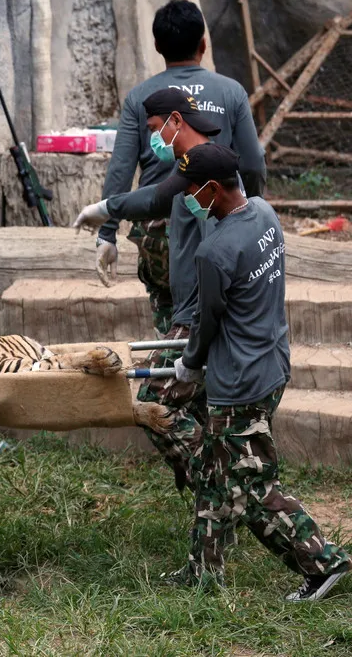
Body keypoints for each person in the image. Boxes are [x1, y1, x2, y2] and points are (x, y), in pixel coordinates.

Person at [167, 143, 350, 601]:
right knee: (214, 475)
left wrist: (188, 367)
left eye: (191, 190)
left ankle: (323, 562)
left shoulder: (215, 251)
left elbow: (208, 323)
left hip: (238, 384)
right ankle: (202, 573)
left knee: (251, 485)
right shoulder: (266, 214)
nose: (186, 197)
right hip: (271, 362)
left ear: (211, 189)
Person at [73, 86, 264, 492]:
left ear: (177, 122)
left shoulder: (203, 177)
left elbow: (166, 205)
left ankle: (219, 483)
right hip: (191, 310)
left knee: (150, 402)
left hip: (197, 314)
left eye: (156, 128)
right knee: (194, 406)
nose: (153, 138)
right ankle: (217, 493)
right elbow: (158, 199)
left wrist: (107, 211)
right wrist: (108, 214)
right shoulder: (192, 167)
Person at [93, 0, 264, 339]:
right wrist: (251, 211)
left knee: (173, 320)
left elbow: (121, 170)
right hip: (219, 219)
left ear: (157, 46)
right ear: (204, 43)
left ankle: (174, 370)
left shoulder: (140, 97)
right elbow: (253, 163)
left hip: (159, 230)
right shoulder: (231, 92)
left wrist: (107, 233)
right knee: (227, 311)